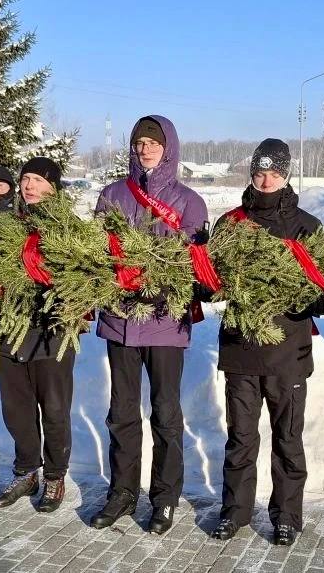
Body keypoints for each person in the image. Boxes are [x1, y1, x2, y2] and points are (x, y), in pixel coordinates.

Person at [208, 139, 324, 546]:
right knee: (241, 438)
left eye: (275, 174)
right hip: (240, 350)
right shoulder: (230, 224)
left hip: (288, 353)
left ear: (287, 176)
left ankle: (286, 516)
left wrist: (322, 297)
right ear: (251, 174)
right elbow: (211, 282)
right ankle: (235, 512)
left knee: (287, 440)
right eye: (260, 173)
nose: (266, 181)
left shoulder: (306, 227)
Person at [90, 115, 208, 535]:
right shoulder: (112, 194)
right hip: (120, 321)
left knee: (165, 413)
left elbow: (191, 263)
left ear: (168, 147)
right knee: (121, 413)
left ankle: (163, 498)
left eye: (153, 143)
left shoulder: (189, 201)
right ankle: (122, 493)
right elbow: (96, 253)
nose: (145, 150)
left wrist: (156, 282)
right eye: (139, 143)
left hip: (164, 323)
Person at [0, 157, 77, 513]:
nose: (29, 185)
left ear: (53, 186)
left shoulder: (69, 228)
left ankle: (55, 475)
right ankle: (27, 472)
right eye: (26, 179)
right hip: (12, 331)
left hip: (51, 335)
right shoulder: (5, 224)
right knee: (17, 410)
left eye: (38, 180)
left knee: (54, 410)